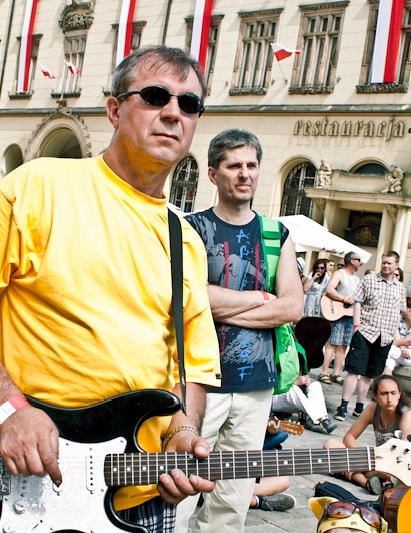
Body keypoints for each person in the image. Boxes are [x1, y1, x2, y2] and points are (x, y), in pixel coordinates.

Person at [0, 46, 222, 531]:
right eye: (154, 95)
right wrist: (10, 411)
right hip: (30, 475)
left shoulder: (184, 239)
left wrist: (184, 432)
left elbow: (193, 365)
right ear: (113, 109)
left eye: (189, 105)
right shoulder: (41, 185)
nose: (173, 112)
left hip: (140, 497)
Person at [177, 129, 303, 533]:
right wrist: (261, 300)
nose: (244, 174)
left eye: (251, 165)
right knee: (178, 487)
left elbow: (294, 307)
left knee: (231, 501)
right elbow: (190, 300)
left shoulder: (275, 234)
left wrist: (222, 305)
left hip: (257, 385)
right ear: (214, 174)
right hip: (198, 382)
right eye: (234, 166)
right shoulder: (189, 228)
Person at [334, 251, 406, 421]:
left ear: (396, 265)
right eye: (384, 262)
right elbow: (357, 301)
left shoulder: (400, 288)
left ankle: (359, 406)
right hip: (366, 331)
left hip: (385, 336)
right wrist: (357, 325)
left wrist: (394, 331)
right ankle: (343, 405)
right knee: (353, 370)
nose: (385, 265)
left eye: (389, 263)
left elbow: (401, 312)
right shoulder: (370, 279)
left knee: (370, 374)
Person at [324, 375, 411, 494]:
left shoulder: (406, 416)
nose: (389, 399)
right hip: (375, 461)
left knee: (389, 472)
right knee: (330, 445)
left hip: (397, 466)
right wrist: (359, 460)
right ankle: (366, 482)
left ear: (399, 394)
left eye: (393, 393)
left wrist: (356, 464)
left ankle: (354, 473)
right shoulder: (373, 408)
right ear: (375, 396)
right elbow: (349, 437)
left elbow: (401, 457)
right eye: (384, 394)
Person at [319, 252, 362, 385]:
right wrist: (343, 298)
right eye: (359, 260)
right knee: (332, 343)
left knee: (344, 344)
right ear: (352, 261)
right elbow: (329, 289)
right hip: (337, 312)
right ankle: (324, 372)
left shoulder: (357, 279)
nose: (361, 263)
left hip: (350, 314)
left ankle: (336, 373)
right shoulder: (339, 274)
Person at [272, 372, 336, 434]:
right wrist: (295, 382)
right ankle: (322, 418)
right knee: (292, 388)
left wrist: (306, 382)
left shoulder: (301, 362)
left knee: (316, 385)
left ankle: (314, 421)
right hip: (275, 397)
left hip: (294, 401)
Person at [383, 297, 411, 375]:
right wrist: (402, 348)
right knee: (388, 362)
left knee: (388, 349)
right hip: (401, 352)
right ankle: (386, 384)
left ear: (409, 308)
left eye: (401, 306)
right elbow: (397, 337)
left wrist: (389, 344)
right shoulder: (401, 320)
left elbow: (408, 341)